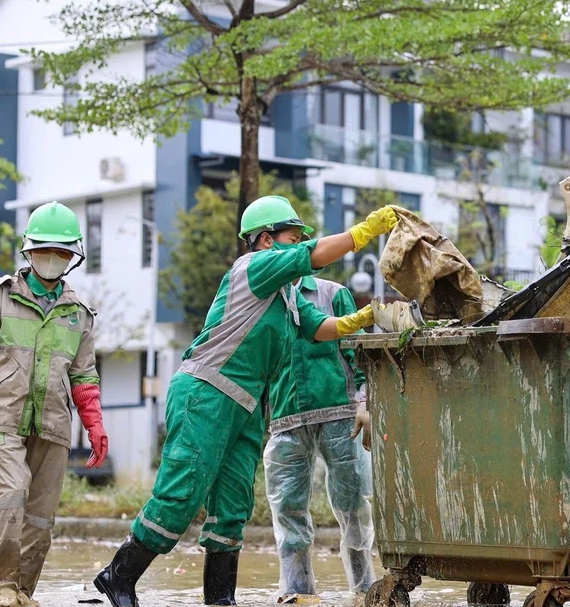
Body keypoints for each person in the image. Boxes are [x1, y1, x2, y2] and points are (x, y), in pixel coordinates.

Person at [93, 195, 396, 607]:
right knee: (181, 493)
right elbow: (312, 254)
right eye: (292, 237)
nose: (299, 243)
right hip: (206, 392)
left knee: (234, 505)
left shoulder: (287, 296)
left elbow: (317, 327)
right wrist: (362, 233)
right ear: (267, 241)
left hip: (248, 405)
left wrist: (354, 321)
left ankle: (220, 599)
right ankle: (118, 575)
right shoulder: (250, 268)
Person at [0, 201, 106, 600]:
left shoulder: (78, 314)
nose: (52, 258)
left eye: (61, 251)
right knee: (11, 495)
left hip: (52, 425)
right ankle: (1, 588)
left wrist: (95, 424)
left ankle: (21, 595)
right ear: (28, 252)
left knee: (40, 518)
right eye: (44, 250)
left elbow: (84, 377)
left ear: (72, 256)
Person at [264, 275, 376, 601]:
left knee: (353, 503)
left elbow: (360, 354)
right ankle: (298, 593)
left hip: (339, 414)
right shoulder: (264, 298)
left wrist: (365, 401)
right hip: (286, 418)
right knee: (288, 509)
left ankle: (365, 588)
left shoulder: (332, 294)